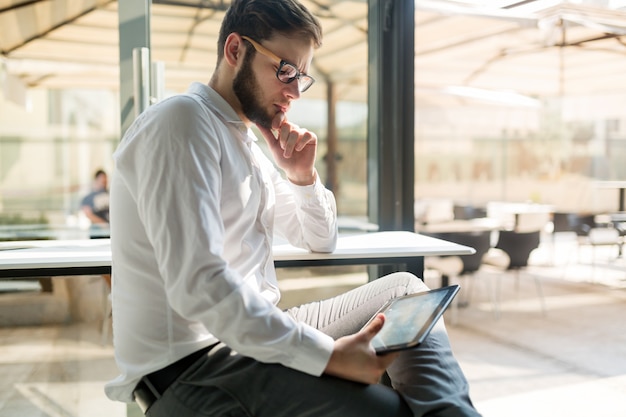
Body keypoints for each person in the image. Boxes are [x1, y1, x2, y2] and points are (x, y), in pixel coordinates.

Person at [105, 1, 481, 416]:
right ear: (235, 51)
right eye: (285, 70)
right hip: (198, 367)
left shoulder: (244, 142)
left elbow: (320, 239)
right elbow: (200, 285)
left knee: (404, 290)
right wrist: (329, 356)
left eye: (302, 76)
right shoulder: (181, 122)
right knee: (392, 410)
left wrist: (302, 177)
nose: (295, 91)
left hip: (247, 336)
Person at [81, 168, 111, 287]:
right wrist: (103, 224)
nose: (104, 183)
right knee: (101, 264)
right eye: (101, 181)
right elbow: (88, 213)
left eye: (105, 181)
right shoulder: (89, 197)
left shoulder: (111, 194)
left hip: (110, 234)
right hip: (98, 234)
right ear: (96, 181)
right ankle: (112, 289)